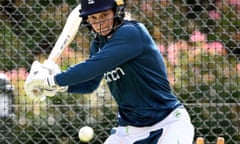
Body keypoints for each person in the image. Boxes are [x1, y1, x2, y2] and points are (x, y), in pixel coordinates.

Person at [25, 0, 194, 143]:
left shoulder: (132, 33)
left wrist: (51, 80)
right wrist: (59, 87)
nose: (99, 23)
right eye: (93, 17)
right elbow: (90, 84)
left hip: (169, 123)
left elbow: (91, 68)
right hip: (129, 131)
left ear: (116, 11)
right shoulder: (97, 44)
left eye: (104, 15)